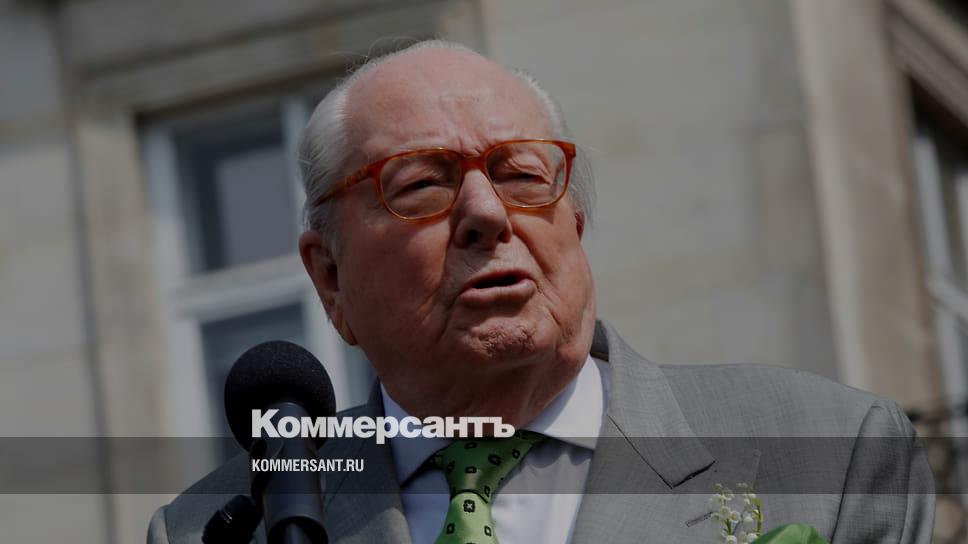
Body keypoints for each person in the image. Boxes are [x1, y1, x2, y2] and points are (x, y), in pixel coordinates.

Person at [148, 40, 935, 543]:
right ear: (329, 277)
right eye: (421, 185)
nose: (488, 214)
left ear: (575, 224)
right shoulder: (212, 528)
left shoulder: (831, 449)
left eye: (522, 174)